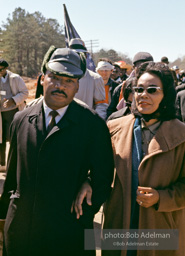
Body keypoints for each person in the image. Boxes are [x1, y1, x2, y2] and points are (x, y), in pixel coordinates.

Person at [0, 46, 114, 256]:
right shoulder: (21, 119)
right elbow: (12, 177)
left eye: (69, 81)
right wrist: (5, 216)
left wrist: (82, 214)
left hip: (67, 234)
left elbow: (103, 179)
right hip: (22, 233)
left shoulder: (93, 126)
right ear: (42, 78)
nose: (60, 86)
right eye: (54, 77)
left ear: (77, 86)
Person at [73, 62, 185, 256]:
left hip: (161, 227)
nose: (143, 95)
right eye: (139, 89)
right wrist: (87, 181)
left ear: (165, 94)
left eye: (152, 90)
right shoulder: (113, 128)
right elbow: (98, 169)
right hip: (119, 223)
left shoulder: (181, 135)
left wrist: (162, 198)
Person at [0, 59, 28, 170]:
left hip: (13, 113)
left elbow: (25, 92)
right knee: (0, 140)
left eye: (1, 69)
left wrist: (13, 100)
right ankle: (2, 164)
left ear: (6, 68)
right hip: (1, 115)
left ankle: (14, 165)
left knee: (13, 138)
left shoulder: (15, 78)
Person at [69, 38, 105, 110]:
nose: (76, 57)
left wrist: (94, 120)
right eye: (73, 54)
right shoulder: (60, 76)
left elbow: (101, 105)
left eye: (79, 54)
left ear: (85, 56)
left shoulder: (96, 78)